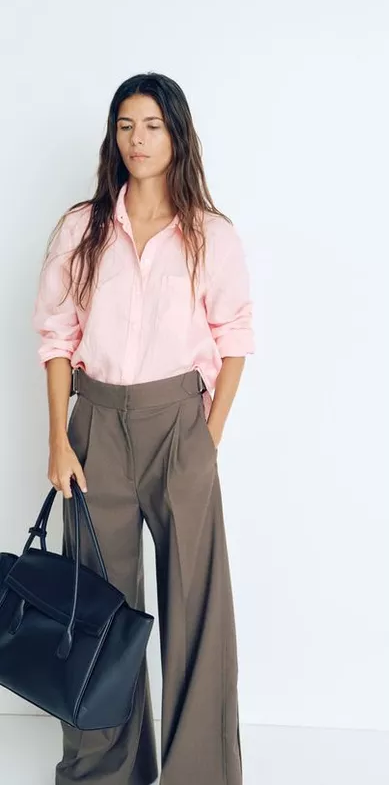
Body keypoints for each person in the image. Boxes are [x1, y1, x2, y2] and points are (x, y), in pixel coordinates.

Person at [32, 72, 255, 785]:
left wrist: (207, 437)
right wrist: (59, 438)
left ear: (177, 135)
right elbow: (57, 337)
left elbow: (234, 338)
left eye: (153, 125)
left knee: (196, 606)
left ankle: (200, 773)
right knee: (100, 611)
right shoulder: (82, 228)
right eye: (126, 125)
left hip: (180, 425)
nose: (138, 139)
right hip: (95, 424)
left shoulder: (210, 235)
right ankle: (106, 769)